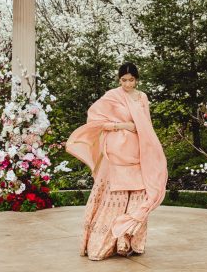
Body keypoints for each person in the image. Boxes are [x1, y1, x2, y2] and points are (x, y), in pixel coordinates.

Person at [65, 62, 168, 260]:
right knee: (116, 197)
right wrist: (121, 125)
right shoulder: (112, 96)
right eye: (123, 80)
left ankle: (128, 243)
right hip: (116, 153)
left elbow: (146, 124)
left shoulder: (142, 97)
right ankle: (104, 245)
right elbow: (94, 120)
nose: (127, 84)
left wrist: (150, 146)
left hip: (138, 150)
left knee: (139, 193)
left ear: (137, 79)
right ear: (118, 79)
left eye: (131, 80)